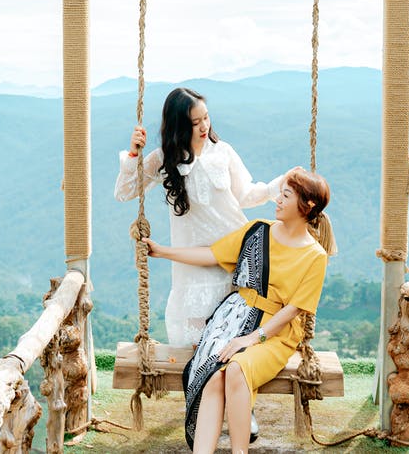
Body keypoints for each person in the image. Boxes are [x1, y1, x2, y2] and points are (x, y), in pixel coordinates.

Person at [142, 169, 335, 453]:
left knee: (235, 368)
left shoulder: (315, 256)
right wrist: (162, 252)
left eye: (286, 195)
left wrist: (251, 339)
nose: (278, 200)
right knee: (213, 375)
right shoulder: (258, 230)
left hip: (275, 333)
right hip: (233, 319)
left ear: (306, 206)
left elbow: (293, 310)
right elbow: (213, 254)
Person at [115, 87, 287, 347]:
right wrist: (133, 154)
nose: (204, 126)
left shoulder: (223, 151)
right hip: (194, 264)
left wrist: (278, 186)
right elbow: (125, 191)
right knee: (196, 341)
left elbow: (245, 195)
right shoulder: (164, 159)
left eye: (206, 117)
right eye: (195, 122)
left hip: (235, 254)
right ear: (179, 126)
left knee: (234, 338)